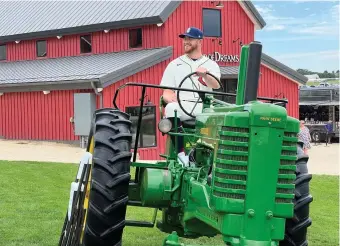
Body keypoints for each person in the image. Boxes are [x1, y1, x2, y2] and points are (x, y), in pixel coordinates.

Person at [159, 27, 221, 166]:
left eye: (189, 39)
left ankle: (214, 160)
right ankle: (182, 156)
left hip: (204, 107)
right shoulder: (174, 64)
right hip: (182, 105)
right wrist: (170, 98)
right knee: (170, 108)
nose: (185, 42)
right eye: (184, 39)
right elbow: (167, 92)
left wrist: (205, 75)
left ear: (199, 41)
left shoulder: (211, 65)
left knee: (222, 116)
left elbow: (216, 85)